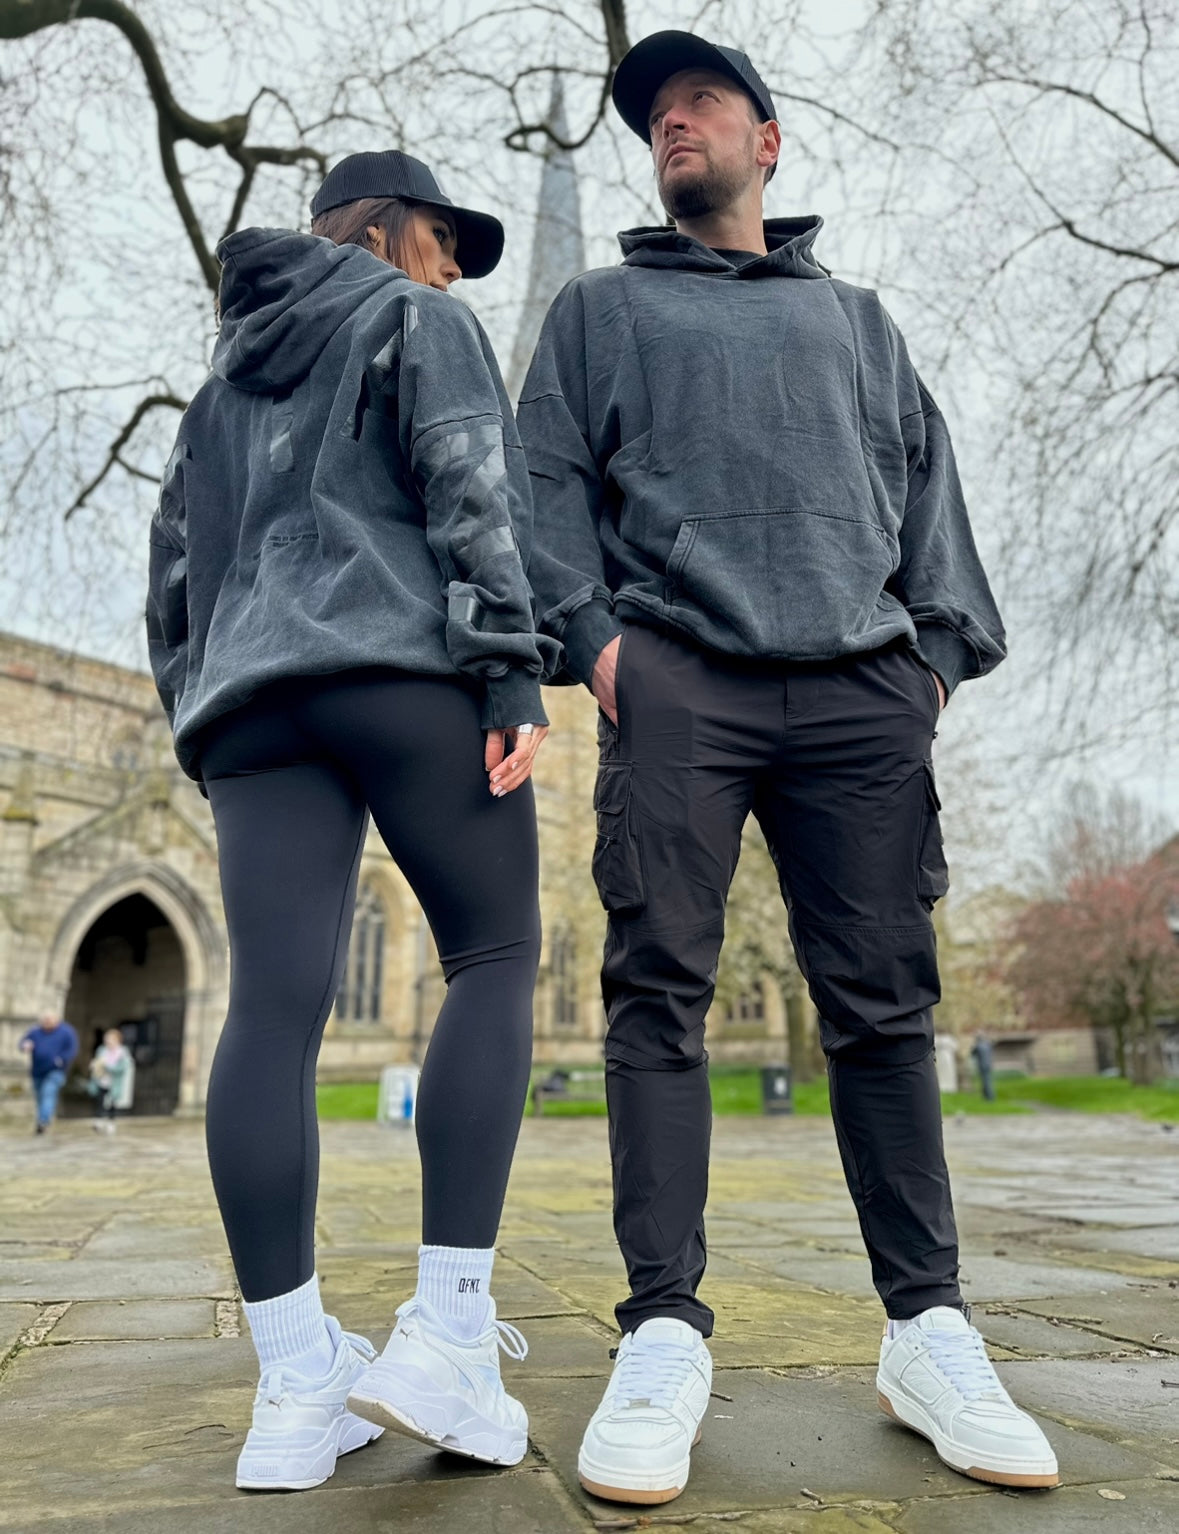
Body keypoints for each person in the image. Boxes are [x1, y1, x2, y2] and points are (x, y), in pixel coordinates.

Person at [517, 30, 1058, 1503]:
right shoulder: (598, 309)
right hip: (677, 674)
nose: (670, 122)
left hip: (858, 691)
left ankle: (926, 1324)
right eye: (653, 113)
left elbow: (927, 496)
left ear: (769, 142)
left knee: (883, 1005)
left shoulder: (859, 323)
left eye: (702, 104)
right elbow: (543, 492)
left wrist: (926, 666)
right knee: (657, 992)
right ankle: (661, 1329)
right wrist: (596, 641)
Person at [147, 150, 558, 1493]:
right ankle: (444, 1328)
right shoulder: (413, 318)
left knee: (270, 1008)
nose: (450, 269)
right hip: (398, 671)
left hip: (252, 706)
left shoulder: (218, 388)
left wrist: (199, 716)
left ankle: (293, 1382)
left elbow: (173, 581)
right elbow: (467, 486)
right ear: (385, 231)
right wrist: (507, 667)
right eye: (444, 240)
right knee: (493, 954)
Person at [20, 1012, 79, 1135]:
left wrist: (60, 1060)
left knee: (48, 1093)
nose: (47, 1022)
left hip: (55, 1070)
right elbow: (23, 1043)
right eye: (45, 1020)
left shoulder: (66, 1032)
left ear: (56, 1020)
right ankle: (43, 1118)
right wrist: (25, 1045)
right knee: (40, 1096)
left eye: (49, 1020)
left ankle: (43, 1121)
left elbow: (71, 1049)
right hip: (37, 1070)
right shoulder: (35, 1032)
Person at [88, 1027, 134, 1133]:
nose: (108, 1041)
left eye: (111, 1039)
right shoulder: (102, 1050)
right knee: (99, 1100)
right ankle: (98, 1120)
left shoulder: (122, 1052)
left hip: (114, 1082)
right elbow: (97, 1061)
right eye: (107, 1039)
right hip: (101, 1079)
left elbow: (123, 1067)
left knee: (112, 1103)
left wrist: (108, 1066)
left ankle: (111, 1123)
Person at [971, 1033, 996, 1102]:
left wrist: (973, 1046)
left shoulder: (978, 1046)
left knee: (985, 1081)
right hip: (989, 1065)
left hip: (982, 1065)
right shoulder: (987, 1045)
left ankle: (989, 1097)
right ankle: (986, 1096)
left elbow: (972, 1053)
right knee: (988, 1080)